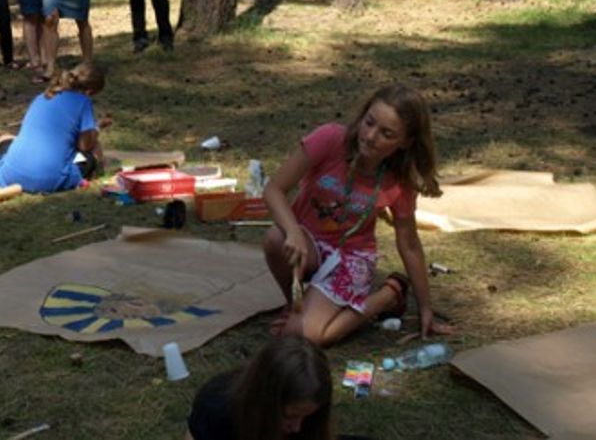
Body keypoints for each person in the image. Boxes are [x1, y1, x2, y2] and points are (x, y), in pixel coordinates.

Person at [263, 84, 453, 347]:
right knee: (276, 237)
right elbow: (273, 189)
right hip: (308, 243)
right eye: (369, 122)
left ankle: (388, 295)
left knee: (304, 337)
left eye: (386, 133)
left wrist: (425, 308)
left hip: (350, 258)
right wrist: (293, 230)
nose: (371, 136)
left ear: (405, 142)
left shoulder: (399, 181)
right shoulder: (330, 139)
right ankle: (294, 306)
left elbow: (408, 242)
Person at [186, 336, 377, 440]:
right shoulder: (217, 408)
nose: (297, 427)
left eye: (307, 417)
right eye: (290, 416)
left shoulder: (307, 422)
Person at [0, 62, 109, 194]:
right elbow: (84, 146)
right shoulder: (83, 101)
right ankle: (76, 174)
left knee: (4, 138)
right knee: (95, 149)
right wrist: (97, 128)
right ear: (89, 91)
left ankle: (14, 164)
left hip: (10, 177)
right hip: (49, 180)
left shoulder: (42, 97)